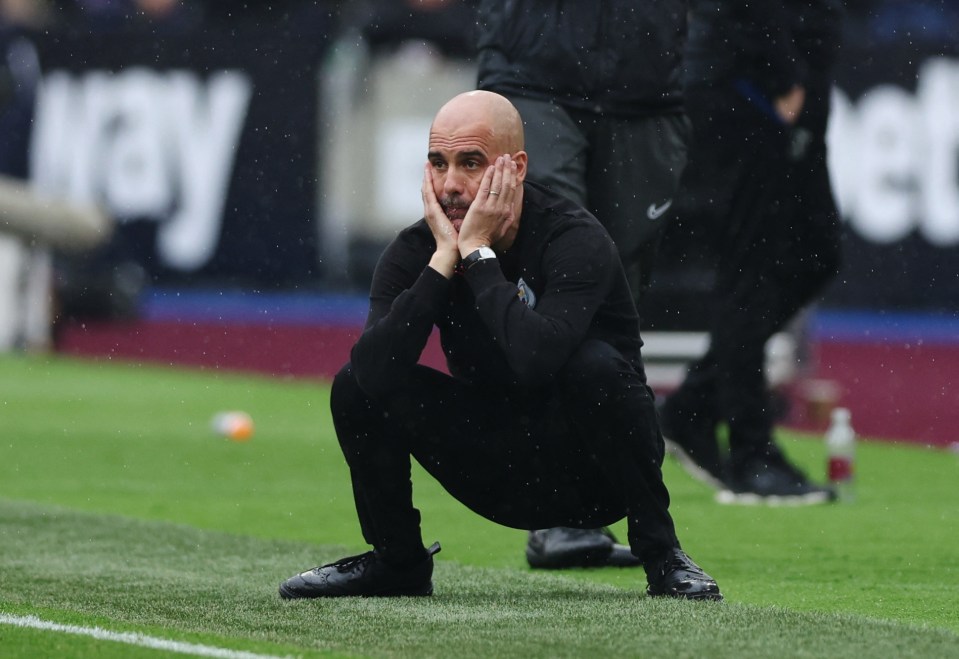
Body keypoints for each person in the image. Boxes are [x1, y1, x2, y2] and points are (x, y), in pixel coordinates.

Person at [278, 90, 722, 601]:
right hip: (496, 470)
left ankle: (663, 557)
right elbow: (372, 377)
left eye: (470, 163)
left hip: (595, 476)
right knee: (355, 382)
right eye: (438, 164)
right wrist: (444, 262)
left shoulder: (574, 238)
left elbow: (536, 362)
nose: (450, 185)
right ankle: (396, 562)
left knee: (595, 366)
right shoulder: (416, 252)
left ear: (516, 167)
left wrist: (479, 254)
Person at [475, 0, 692, 570]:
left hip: (645, 86)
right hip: (533, 72)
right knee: (556, 274)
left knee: (619, 299)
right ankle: (555, 509)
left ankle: (604, 505)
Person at [658, 0, 844, 503]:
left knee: (817, 253)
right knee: (753, 267)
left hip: (787, 78)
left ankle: (694, 406)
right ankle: (750, 452)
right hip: (751, 83)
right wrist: (782, 72)